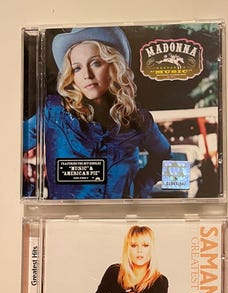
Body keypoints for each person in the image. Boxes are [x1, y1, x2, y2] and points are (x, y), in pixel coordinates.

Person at [23, 27, 171, 199]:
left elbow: (167, 159)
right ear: (72, 76)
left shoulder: (139, 119)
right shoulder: (53, 113)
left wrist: (139, 191)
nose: (87, 75)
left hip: (123, 215)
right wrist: (29, 195)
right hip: (66, 216)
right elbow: (8, 147)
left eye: (95, 63)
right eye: (77, 68)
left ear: (113, 66)